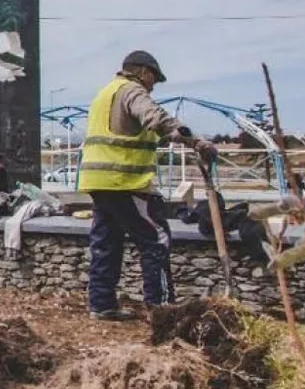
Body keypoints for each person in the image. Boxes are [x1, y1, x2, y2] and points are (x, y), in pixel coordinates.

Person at [78, 50, 217, 321]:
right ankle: (163, 311)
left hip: (98, 181)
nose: (153, 85)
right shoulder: (132, 90)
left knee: (106, 242)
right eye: (154, 78)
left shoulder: (105, 93)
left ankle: (101, 304)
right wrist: (196, 142)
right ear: (143, 72)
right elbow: (155, 118)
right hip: (125, 182)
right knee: (157, 240)